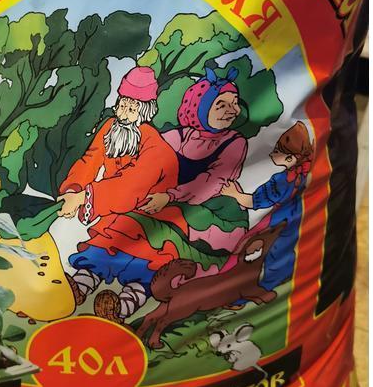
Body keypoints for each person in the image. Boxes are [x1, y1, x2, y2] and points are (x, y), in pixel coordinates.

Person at [58, 66, 184, 323]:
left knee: (145, 268)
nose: (125, 114)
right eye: (122, 105)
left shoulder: (155, 146)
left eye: (132, 108)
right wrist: (73, 189)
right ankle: (78, 288)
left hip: (152, 222)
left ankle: (121, 307)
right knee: (97, 253)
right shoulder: (110, 128)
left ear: (145, 111)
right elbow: (89, 161)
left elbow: (131, 185)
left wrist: (84, 198)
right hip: (114, 215)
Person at [140, 67, 248, 256]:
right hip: (172, 199)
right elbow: (149, 153)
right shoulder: (181, 136)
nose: (232, 110)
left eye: (234, 103)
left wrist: (170, 197)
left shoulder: (234, 142)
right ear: (201, 109)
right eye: (221, 105)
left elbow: (213, 181)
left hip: (210, 208)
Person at [221, 121, 313, 290]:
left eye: (277, 151)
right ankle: (278, 282)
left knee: (270, 253)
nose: (271, 154)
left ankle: (267, 286)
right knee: (283, 252)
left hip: (278, 223)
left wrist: (234, 194)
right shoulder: (299, 174)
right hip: (292, 218)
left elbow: (254, 201)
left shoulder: (282, 181)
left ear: (290, 158)